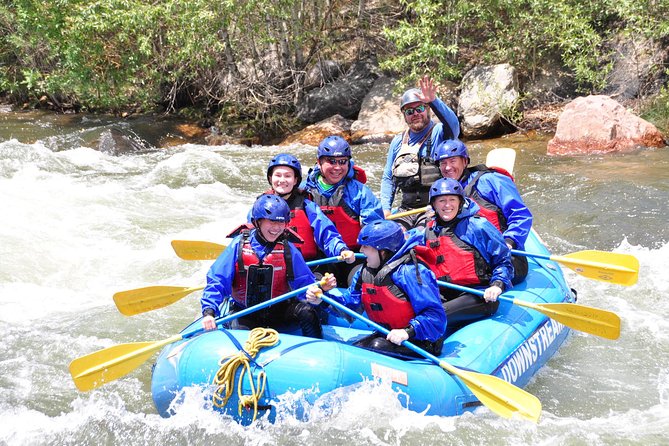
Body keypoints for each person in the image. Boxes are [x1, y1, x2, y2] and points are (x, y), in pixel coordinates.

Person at [201, 194, 337, 338]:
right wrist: (209, 312)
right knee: (241, 336)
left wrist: (317, 292)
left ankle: (316, 349)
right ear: (257, 222)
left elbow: (305, 283)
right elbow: (217, 280)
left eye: (281, 223)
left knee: (307, 312)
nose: (276, 228)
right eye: (271, 222)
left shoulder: (288, 249)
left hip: (280, 310)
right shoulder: (238, 245)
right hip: (245, 312)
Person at [310, 219, 446, 358]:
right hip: (388, 336)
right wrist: (323, 299)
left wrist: (408, 331)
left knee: (376, 347)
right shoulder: (365, 271)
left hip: (421, 340)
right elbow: (350, 307)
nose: (361, 251)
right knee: (357, 350)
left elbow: (435, 316)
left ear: (383, 251)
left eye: (366, 247)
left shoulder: (411, 272)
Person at [415, 178, 513, 332]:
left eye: (452, 200)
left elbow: (503, 260)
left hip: (480, 294)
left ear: (460, 202)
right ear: (433, 204)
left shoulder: (478, 226)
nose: (447, 205)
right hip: (446, 293)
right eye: (442, 201)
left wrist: (497, 284)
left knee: (436, 315)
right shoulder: (429, 230)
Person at [432, 139, 531, 283]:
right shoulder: (443, 192)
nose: (447, 168)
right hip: (470, 256)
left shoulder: (490, 180)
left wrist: (509, 241)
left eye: (452, 161)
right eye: (443, 163)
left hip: (503, 257)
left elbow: (521, 215)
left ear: (465, 162)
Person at [380, 75, 460, 230]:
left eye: (420, 108)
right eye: (409, 111)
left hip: (433, 207)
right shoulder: (397, 141)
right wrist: (385, 208)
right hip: (405, 210)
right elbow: (387, 178)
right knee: (390, 239)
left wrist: (433, 100)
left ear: (427, 109)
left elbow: (454, 126)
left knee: (418, 238)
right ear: (404, 115)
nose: (415, 113)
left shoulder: (439, 133)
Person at [304, 135, 385, 284]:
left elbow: (374, 227)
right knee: (311, 288)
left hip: (353, 258)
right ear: (319, 162)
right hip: (317, 260)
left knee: (362, 281)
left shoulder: (359, 191)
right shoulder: (303, 191)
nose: (337, 168)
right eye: (331, 161)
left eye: (343, 162)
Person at [263, 153, 356, 264]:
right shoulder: (260, 206)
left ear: (296, 180)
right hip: (273, 267)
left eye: (288, 176)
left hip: (307, 267)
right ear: (270, 178)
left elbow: (326, 233)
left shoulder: (307, 206)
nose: (282, 180)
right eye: (278, 175)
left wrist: (341, 249)